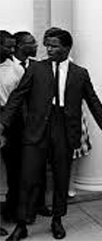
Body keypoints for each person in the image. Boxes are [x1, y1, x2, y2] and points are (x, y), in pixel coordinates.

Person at [0, 28, 102, 241]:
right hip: (37, 129)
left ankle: (57, 220)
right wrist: (2, 123)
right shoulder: (36, 69)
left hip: (65, 130)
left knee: (61, 178)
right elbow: (17, 97)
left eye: (54, 45)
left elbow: (93, 102)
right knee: (27, 179)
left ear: (66, 48)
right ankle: (21, 225)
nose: (48, 49)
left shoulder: (79, 73)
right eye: (47, 44)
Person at [12, 31, 53, 223]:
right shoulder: (8, 66)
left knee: (40, 166)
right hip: (14, 124)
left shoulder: (39, 66)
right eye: (32, 42)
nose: (37, 45)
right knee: (17, 168)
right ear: (19, 46)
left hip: (37, 125)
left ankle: (39, 204)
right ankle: (17, 208)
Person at [0, 30, 24, 225]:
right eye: (7, 46)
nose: (11, 50)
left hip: (13, 121)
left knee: (15, 169)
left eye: (13, 46)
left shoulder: (16, 69)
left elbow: (23, 99)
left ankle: (11, 210)